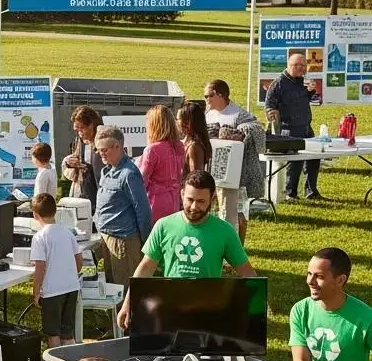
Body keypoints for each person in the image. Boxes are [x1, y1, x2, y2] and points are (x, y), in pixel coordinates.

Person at [118, 170, 257, 329]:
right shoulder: (164, 226)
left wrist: (256, 305)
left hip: (208, 310)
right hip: (170, 309)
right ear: (182, 193)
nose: (194, 206)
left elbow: (246, 271)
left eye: (201, 201)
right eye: (190, 199)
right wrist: (128, 303)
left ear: (211, 199)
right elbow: (146, 267)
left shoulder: (225, 231)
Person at [203, 79, 265, 242]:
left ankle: (237, 245)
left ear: (221, 95)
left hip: (236, 174)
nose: (206, 100)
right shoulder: (208, 113)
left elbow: (256, 132)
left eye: (209, 95)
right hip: (213, 169)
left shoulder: (239, 114)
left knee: (236, 212)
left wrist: (237, 133)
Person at [93, 125, 152, 290]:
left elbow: (143, 209)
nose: (101, 154)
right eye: (98, 150)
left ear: (118, 146)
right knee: (112, 287)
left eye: (104, 150)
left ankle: (130, 316)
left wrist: (146, 242)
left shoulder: (129, 173)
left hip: (124, 241)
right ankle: (116, 316)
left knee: (126, 289)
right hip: (107, 237)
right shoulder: (107, 170)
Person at [264, 53, 321, 201]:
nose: (301, 68)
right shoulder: (278, 83)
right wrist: (272, 114)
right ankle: (291, 193)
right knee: (296, 162)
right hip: (289, 128)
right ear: (289, 65)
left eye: (303, 65)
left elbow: (309, 100)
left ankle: (311, 191)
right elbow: (269, 106)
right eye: (297, 65)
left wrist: (312, 92)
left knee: (315, 158)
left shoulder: (303, 81)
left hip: (306, 126)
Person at [30, 193, 83, 348]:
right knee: (67, 331)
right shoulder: (67, 232)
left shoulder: (39, 237)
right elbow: (78, 259)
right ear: (56, 211)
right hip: (71, 287)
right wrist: (71, 273)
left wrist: (36, 291)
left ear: (35, 215)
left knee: (53, 333)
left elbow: (40, 266)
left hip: (52, 291)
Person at [138, 105, 185, 223]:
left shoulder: (152, 149)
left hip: (154, 201)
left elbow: (141, 181)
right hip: (174, 200)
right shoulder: (179, 146)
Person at [61, 106, 103, 208]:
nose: (79, 132)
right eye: (76, 128)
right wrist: (69, 163)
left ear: (92, 125)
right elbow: (72, 175)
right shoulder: (79, 142)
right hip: (83, 198)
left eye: (82, 128)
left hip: (100, 200)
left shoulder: (103, 143)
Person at [177, 101, 212, 176]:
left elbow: (195, 179)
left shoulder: (194, 147)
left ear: (187, 122)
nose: (176, 122)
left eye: (178, 119)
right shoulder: (183, 142)